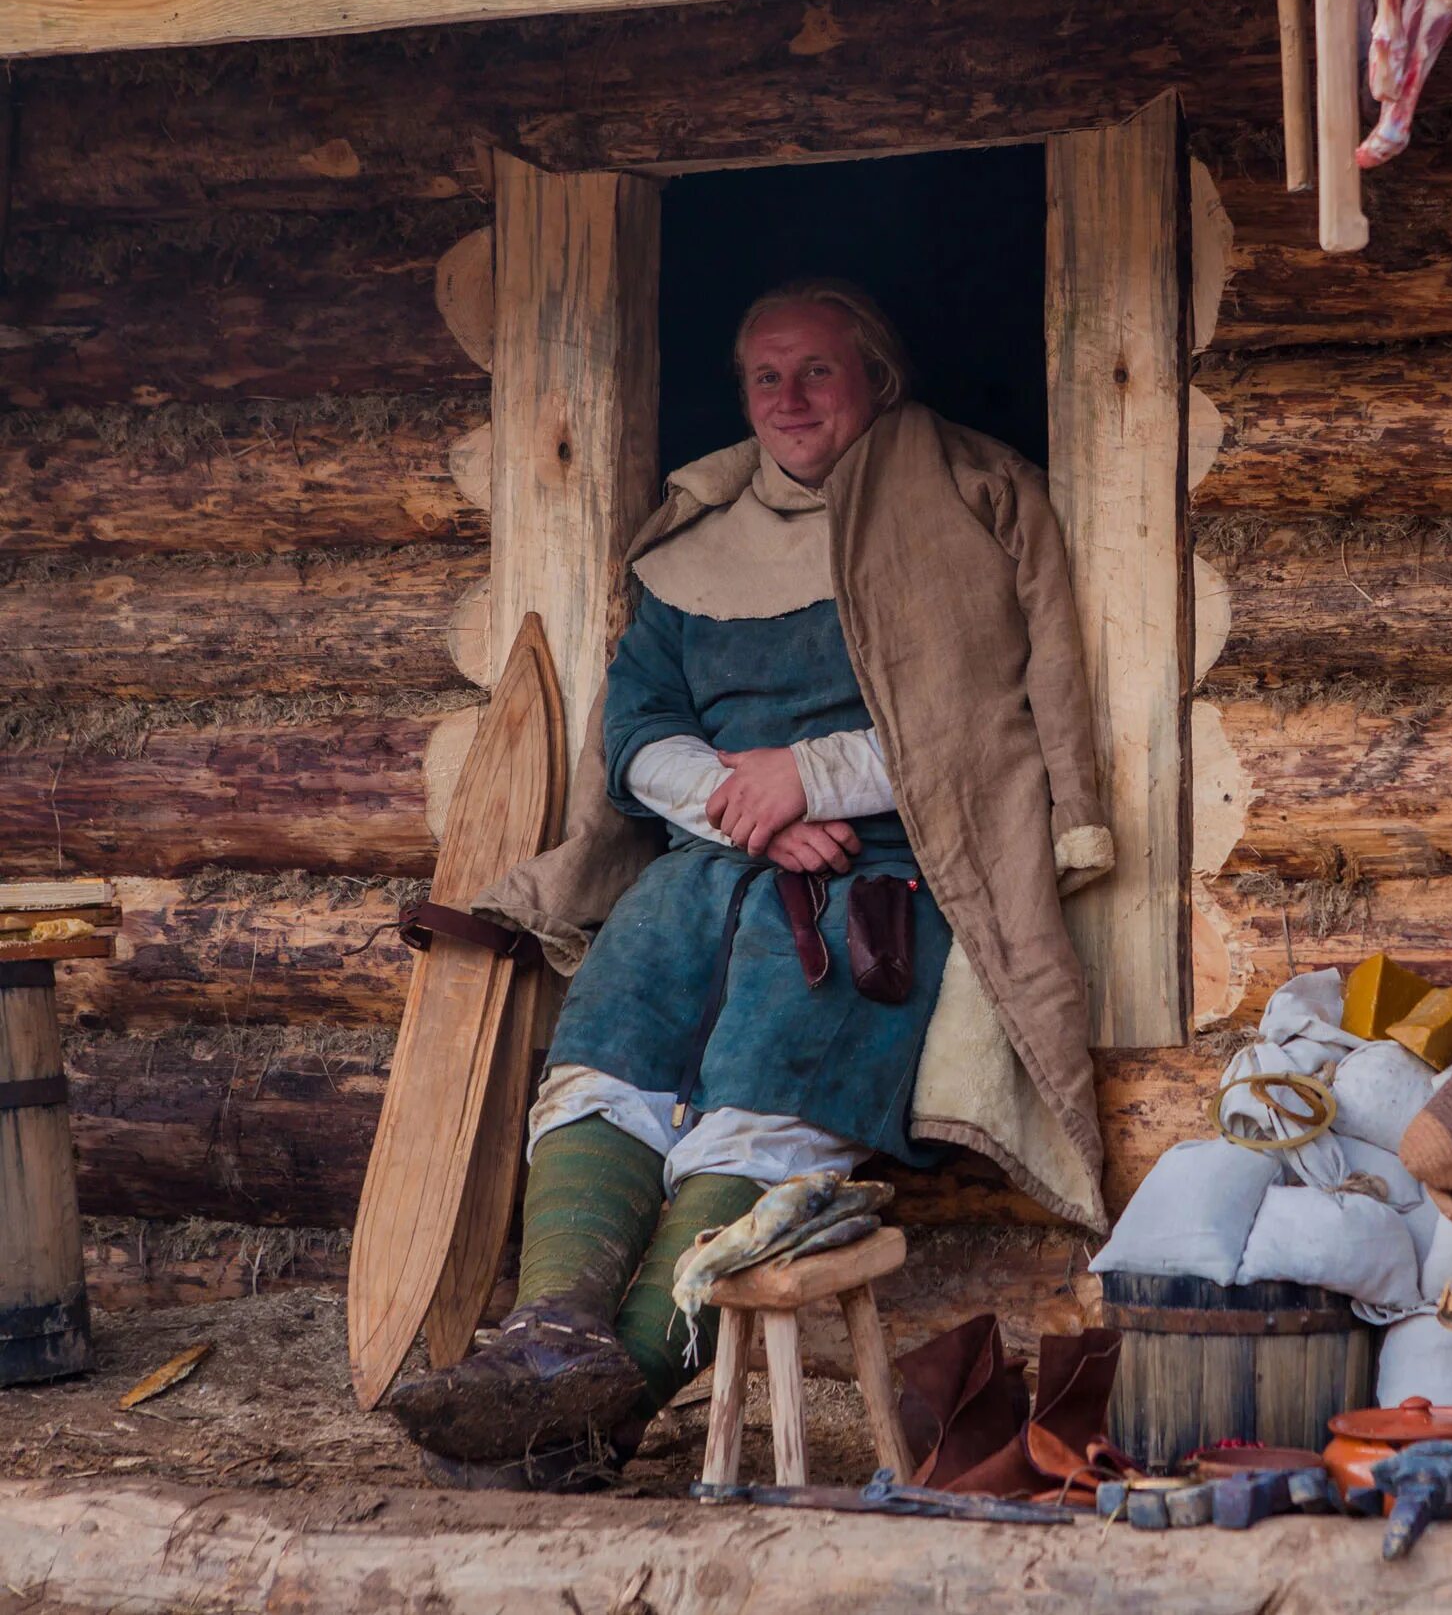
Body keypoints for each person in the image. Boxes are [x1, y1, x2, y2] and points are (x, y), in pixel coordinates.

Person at [387, 281, 1114, 1488]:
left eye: (817, 372)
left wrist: (813, 780)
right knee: (602, 1071)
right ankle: (549, 1337)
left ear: (876, 379)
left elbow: (981, 725)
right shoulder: (688, 548)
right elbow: (640, 729)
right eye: (765, 377)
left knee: (755, 1111)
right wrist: (747, 805)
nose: (789, 399)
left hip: (872, 892)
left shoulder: (965, 511)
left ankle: (590, 1410)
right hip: (698, 875)